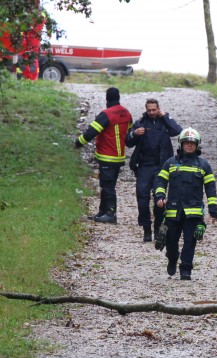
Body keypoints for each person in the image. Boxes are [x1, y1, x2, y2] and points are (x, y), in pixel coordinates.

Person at [154, 128, 217, 281]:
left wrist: (213, 210)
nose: (189, 146)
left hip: (194, 212)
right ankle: (172, 258)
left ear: (197, 145)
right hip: (173, 211)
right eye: (187, 143)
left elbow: (211, 188)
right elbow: (160, 181)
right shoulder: (170, 163)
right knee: (170, 241)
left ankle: (186, 270)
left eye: (192, 143)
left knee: (190, 241)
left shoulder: (203, 165)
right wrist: (160, 196)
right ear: (181, 144)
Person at [126, 98, 183, 242]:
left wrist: (165, 116)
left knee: (160, 199)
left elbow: (178, 131)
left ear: (158, 109)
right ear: (146, 109)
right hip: (145, 166)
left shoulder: (165, 121)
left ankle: (158, 228)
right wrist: (134, 134)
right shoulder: (140, 123)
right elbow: (128, 141)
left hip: (161, 166)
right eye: (149, 110)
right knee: (142, 199)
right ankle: (146, 228)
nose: (151, 112)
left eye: (154, 110)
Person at [74, 87, 133, 223]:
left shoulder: (106, 114)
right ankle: (102, 212)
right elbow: (130, 130)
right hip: (119, 156)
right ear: (118, 97)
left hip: (107, 155)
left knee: (107, 186)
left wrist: (78, 143)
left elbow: (91, 132)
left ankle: (111, 213)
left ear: (107, 99)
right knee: (108, 184)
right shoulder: (126, 113)